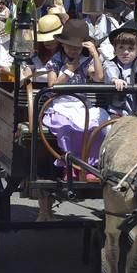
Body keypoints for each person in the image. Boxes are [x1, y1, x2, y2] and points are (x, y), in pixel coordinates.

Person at [42, 19, 108, 204]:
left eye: (77, 48)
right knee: (66, 128)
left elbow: (99, 77)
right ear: (62, 44)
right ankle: (68, 165)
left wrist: (94, 53)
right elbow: (52, 85)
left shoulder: (86, 61)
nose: (73, 51)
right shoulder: (55, 61)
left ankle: (87, 166)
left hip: (81, 106)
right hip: (60, 104)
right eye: (70, 47)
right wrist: (69, 70)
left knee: (96, 127)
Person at [103, 21, 137, 116]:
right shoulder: (111, 63)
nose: (125, 52)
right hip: (117, 113)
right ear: (115, 49)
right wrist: (115, 79)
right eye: (121, 47)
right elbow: (110, 70)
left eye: (130, 48)